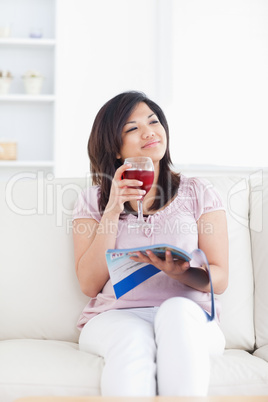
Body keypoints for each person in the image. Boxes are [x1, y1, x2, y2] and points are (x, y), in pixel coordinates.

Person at [72, 91, 229, 396]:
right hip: (117, 316)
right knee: (132, 338)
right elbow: (89, 285)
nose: (149, 132)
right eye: (132, 128)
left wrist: (180, 272)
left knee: (176, 312)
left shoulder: (199, 192)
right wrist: (113, 209)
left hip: (191, 314)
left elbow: (220, 279)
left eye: (153, 121)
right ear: (114, 149)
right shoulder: (93, 200)